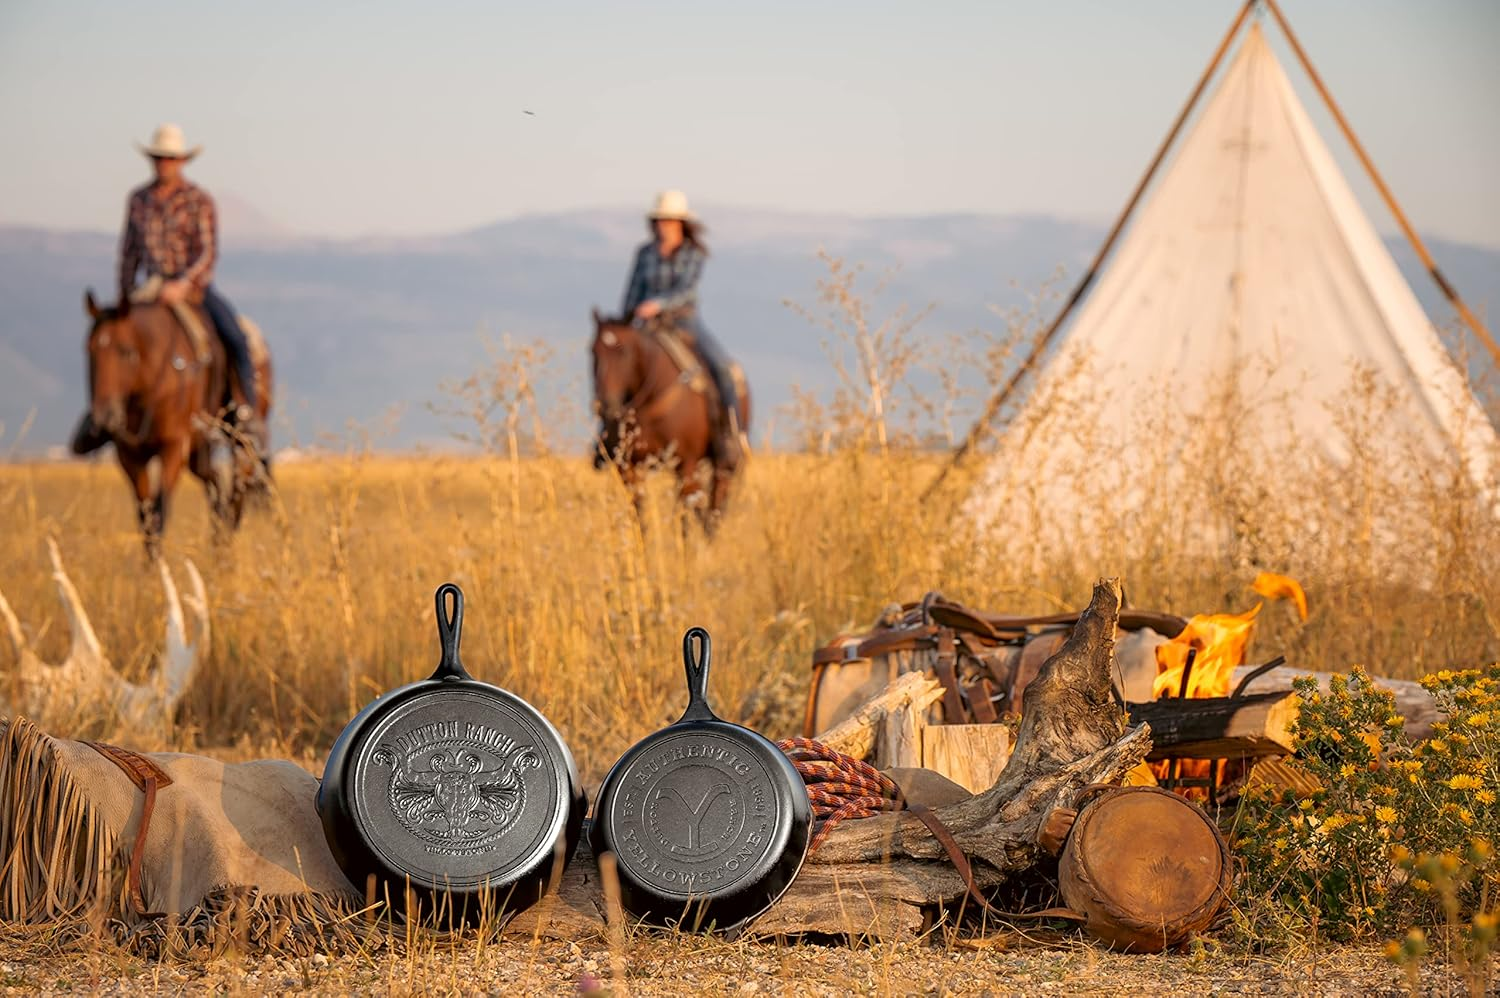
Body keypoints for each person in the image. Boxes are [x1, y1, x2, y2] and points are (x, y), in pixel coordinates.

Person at [72, 123, 258, 454]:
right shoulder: (138, 200)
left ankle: (244, 410)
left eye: (170, 158)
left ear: (182, 161)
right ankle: (101, 414)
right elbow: (128, 252)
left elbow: (207, 252)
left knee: (235, 337)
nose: (164, 164)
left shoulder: (197, 200)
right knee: (109, 341)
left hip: (193, 290)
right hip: (148, 290)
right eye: (159, 157)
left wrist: (182, 284)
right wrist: (125, 295)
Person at [620, 190, 744, 470]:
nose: (664, 226)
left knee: (723, 369)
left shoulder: (693, 253)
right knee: (615, 371)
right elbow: (632, 290)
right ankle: (608, 438)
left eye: (669, 221)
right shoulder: (645, 254)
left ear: (681, 223)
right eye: (660, 220)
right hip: (646, 328)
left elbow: (686, 290)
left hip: (684, 322)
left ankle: (732, 436)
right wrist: (627, 319)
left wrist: (658, 304)